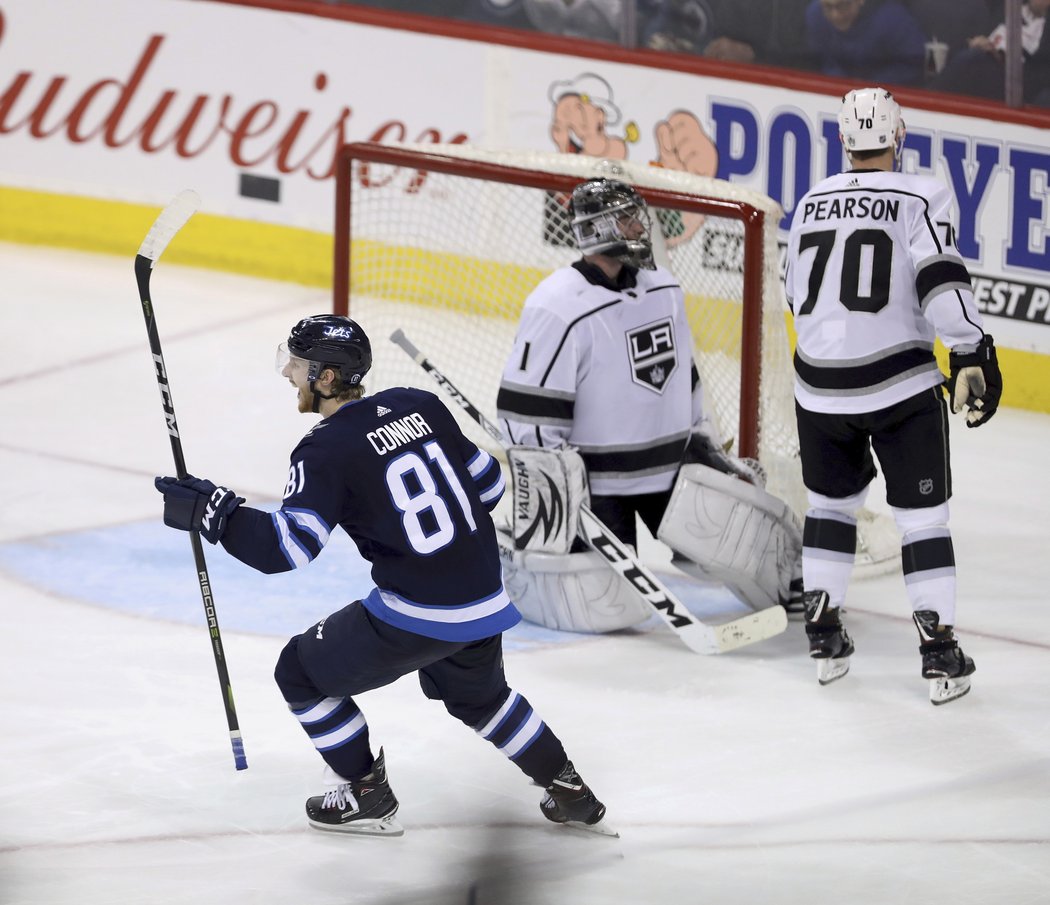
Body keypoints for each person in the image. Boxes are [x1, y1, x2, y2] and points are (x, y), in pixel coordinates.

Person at [153, 315, 611, 836]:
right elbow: (487, 486)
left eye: (298, 363)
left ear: (326, 378)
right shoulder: (421, 404)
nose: (287, 371)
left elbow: (288, 548)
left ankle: (366, 793)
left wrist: (218, 514)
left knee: (299, 673)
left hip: (420, 610)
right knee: (481, 698)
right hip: (484, 595)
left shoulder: (323, 447)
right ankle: (568, 787)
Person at [495, 177, 803, 635]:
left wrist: (705, 443)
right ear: (597, 229)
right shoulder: (556, 305)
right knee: (607, 610)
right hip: (598, 486)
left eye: (637, 216)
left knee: (756, 550)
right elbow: (527, 412)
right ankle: (507, 552)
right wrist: (555, 483)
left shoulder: (663, 288)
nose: (640, 227)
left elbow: (686, 376)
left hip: (672, 472)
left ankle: (802, 591)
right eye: (627, 218)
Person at [784, 87, 1003, 705]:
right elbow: (939, 280)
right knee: (922, 519)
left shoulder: (809, 200)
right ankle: (938, 651)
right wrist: (969, 346)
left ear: (842, 142)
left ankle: (824, 633)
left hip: (818, 386)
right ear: (898, 138)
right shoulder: (921, 192)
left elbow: (795, 296)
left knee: (829, 507)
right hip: (898, 383)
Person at [928, 0, 1050, 103]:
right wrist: (975, 42)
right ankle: (928, 102)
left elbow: (1039, 70)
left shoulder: (1044, 26)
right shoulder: (1008, 8)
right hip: (982, 60)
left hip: (1016, 79)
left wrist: (1001, 57)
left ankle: (929, 103)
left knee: (971, 61)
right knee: (969, 57)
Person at [805, 0, 927, 87]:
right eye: (828, 7)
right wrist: (839, 82)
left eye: (843, 5)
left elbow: (913, 63)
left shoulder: (893, 19)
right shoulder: (815, 14)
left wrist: (870, 87)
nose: (835, 15)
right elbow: (820, 58)